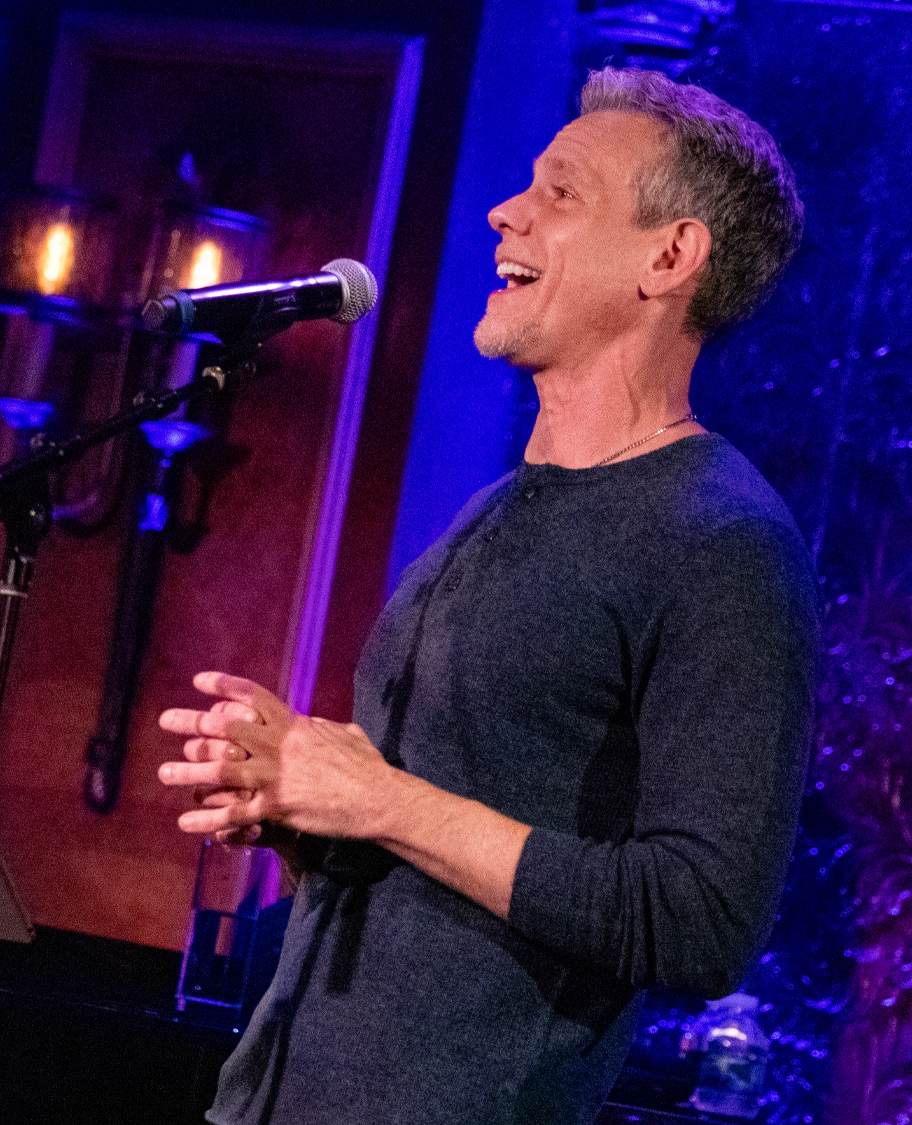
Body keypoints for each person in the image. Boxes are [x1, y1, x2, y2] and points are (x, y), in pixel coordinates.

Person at [156, 68, 817, 1125]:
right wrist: (302, 811)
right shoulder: (501, 506)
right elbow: (454, 834)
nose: (504, 211)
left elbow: (699, 921)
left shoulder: (723, 543)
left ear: (668, 256)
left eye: (562, 191)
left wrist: (380, 801)